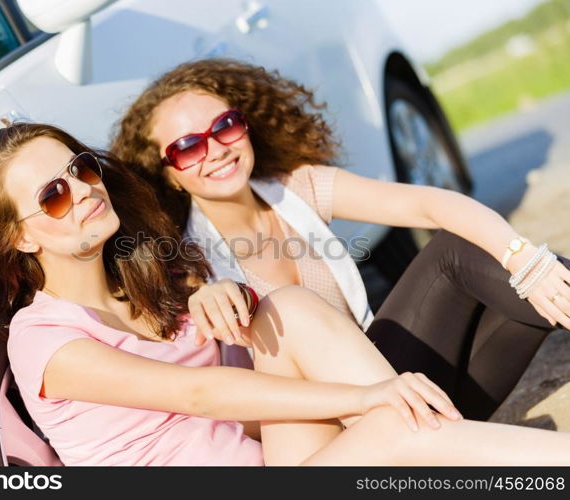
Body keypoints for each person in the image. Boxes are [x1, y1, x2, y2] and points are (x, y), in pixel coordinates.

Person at [0, 122, 570, 466]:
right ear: (20, 236)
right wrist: (370, 393)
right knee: (390, 425)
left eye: (83, 168)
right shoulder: (44, 339)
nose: (84, 190)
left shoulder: (154, 282)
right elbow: (200, 394)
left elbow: (253, 409)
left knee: (290, 309)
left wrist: (226, 294)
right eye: (53, 196)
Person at [110, 58, 570, 419]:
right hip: (342, 421)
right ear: (166, 174)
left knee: (529, 291)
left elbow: (429, 204)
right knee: (451, 255)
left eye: (224, 126)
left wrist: (526, 260)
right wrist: (199, 297)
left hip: (408, 393)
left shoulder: (298, 187)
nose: (216, 150)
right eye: (188, 147)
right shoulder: (186, 263)